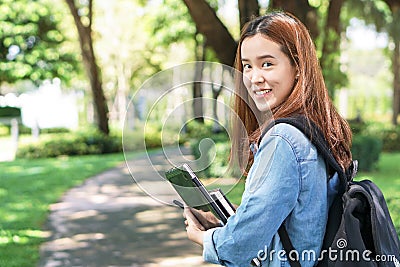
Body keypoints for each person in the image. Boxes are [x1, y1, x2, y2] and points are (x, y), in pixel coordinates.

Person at [183, 11, 352, 267]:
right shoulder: (315, 127)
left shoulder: (283, 139)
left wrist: (205, 239)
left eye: (267, 64)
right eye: (248, 66)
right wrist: (234, 221)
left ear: (298, 67)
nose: (253, 77)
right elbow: (303, 218)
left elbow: (240, 246)